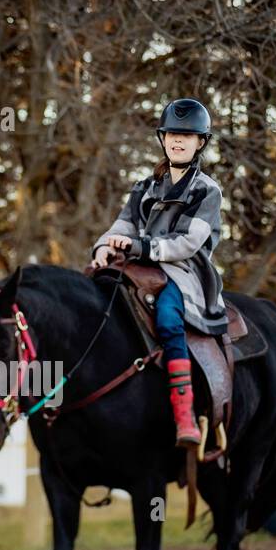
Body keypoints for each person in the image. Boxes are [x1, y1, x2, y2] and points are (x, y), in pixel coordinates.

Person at [89, 97, 229, 448]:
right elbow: (120, 227)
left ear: (201, 143)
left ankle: (185, 416)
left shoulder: (207, 190)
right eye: (172, 134)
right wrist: (104, 247)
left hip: (182, 273)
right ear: (162, 139)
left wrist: (142, 248)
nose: (178, 141)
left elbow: (188, 242)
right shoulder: (144, 188)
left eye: (187, 135)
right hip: (139, 266)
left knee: (168, 319)